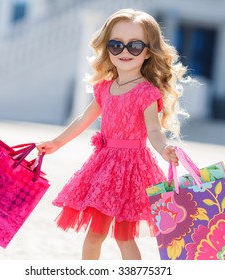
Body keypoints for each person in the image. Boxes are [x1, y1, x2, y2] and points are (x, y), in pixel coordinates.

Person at [37, 8, 189, 260]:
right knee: (94, 235)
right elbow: (83, 119)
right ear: (107, 47)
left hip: (132, 171)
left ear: (149, 51)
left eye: (135, 46)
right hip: (104, 169)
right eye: (116, 45)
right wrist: (56, 142)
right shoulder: (105, 88)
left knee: (124, 236)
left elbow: (153, 129)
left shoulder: (146, 92)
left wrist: (164, 150)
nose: (125, 52)